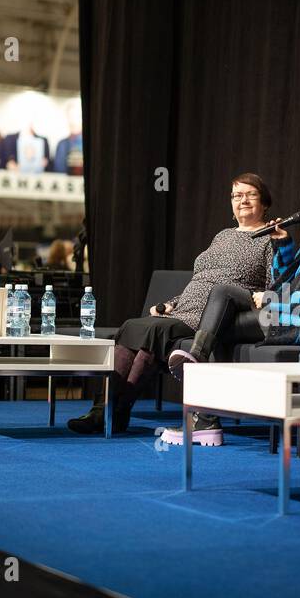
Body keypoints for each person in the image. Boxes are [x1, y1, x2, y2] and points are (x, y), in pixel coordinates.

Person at [163, 166, 300, 446]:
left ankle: (204, 413)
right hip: (287, 315)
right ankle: (201, 385)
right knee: (222, 293)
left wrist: (272, 301)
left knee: (220, 326)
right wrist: (283, 245)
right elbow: (283, 281)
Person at [66, 173, 275, 436]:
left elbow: (272, 288)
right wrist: (170, 303)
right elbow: (201, 278)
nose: (242, 200)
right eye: (237, 195)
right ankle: (104, 409)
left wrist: (252, 298)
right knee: (136, 327)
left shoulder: (270, 239)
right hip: (185, 307)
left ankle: (114, 412)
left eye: (250, 194)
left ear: (264, 202)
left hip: (216, 313)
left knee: (154, 333)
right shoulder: (222, 235)